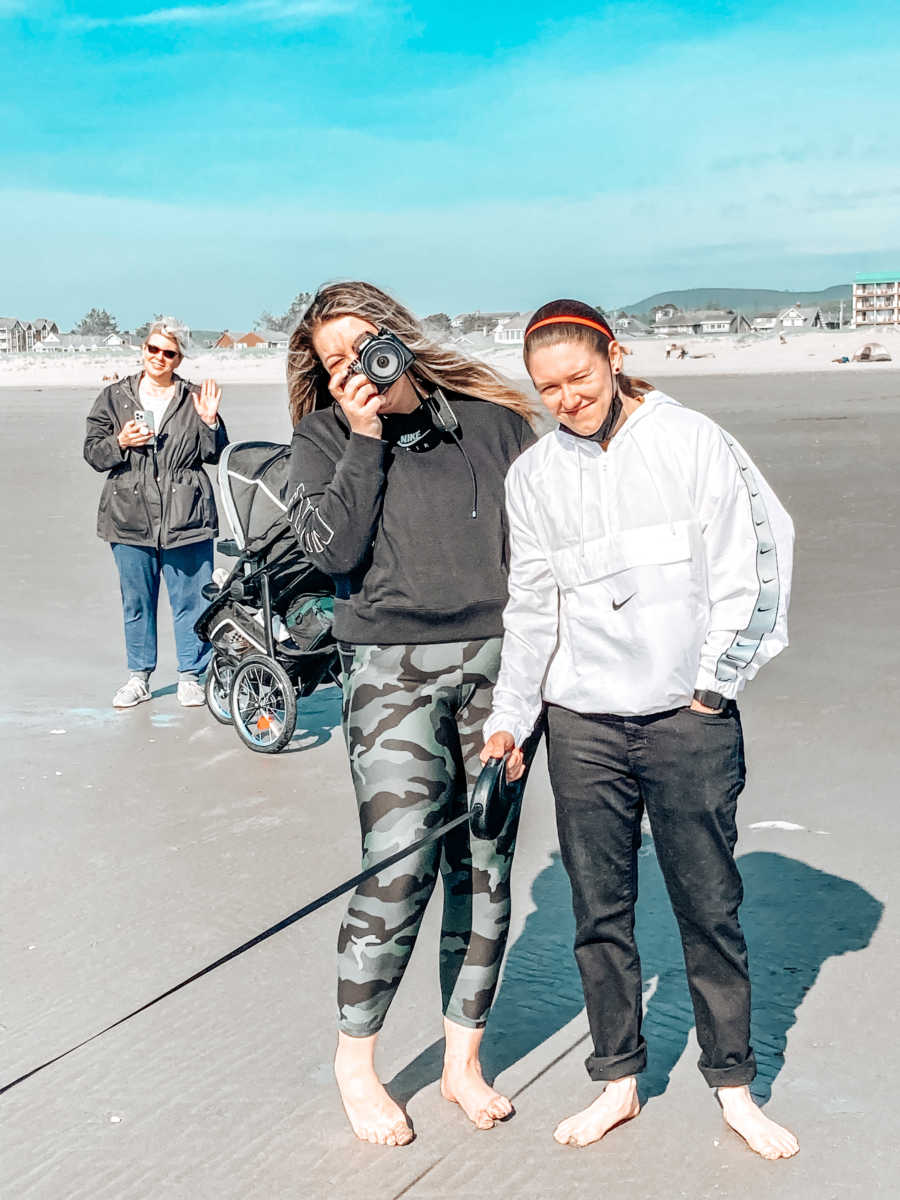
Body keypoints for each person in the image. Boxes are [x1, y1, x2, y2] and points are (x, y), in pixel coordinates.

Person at [481, 299, 800, 1160]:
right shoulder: (534, 477)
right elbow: (531, 612)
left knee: (710, 906)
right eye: (548, 389)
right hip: (582, 724)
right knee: (600, 913)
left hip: (684, 720)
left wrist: (711, 687)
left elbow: (757, 559)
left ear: (614, 357)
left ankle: (735, 1085)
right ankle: (618, 1081)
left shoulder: (691, 440)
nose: (567, 400)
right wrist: (512, 720)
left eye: (579, 379)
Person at [285, 281, 536, 1145]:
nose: (357, 365)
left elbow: (545, 549)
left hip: (498, 670)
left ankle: (462, 1063)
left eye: (366, 344)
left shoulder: (494, 425)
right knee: (397, 866)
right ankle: (357, 1062)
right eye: (334, 361)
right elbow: (331, 552)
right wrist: (363, 437)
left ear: (395, 335)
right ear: (324, 379)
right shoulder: (322, 437)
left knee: (487, 869)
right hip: (388, 673)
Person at [84, 318, 227, 708]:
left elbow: (215, 455)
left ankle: (191, 676)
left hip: (188, 516)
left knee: (192, 601)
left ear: (179, 358)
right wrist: (120, 442)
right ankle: (139, 677)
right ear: (142, 349)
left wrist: (211, 421)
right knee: (137, 602)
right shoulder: (115, 396)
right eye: (153, 349)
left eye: (169, 353)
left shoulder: (194, 396)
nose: (159, 358)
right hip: (129, 515)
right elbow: (93, 453)